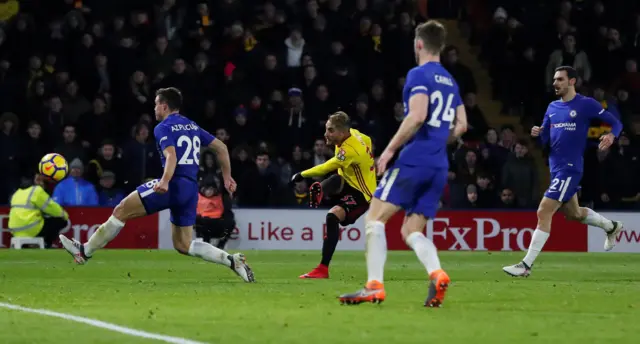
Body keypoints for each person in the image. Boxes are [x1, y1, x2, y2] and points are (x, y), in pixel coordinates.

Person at [59, 87, 255, 282]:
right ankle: (232, 260)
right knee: (183, 244)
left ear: (164, 105)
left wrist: (164, 181)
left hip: (173, 184)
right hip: (190, 189)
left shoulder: (163, 127)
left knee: (121, 210)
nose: (154, 109)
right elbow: (221, 147)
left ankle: (85, 251)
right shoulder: (192, 126)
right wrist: (228, 177)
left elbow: (171, 156)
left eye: (156, 104)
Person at [338, 20, 467, 307]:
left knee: (375, 218)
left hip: (415, 159)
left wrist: (388, 152)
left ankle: (374, 285)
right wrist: (438, 141)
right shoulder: (450, 80)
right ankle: (437, 273)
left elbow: (417, 115)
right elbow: (462, 125)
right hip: (439, 165)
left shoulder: (418, 74)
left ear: (419, 44)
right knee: (411, 230)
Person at [503, 66, 623, 277]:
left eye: (560, 79)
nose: (555, 83)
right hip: (556, 168)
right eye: (554, 80)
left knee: (543, 211)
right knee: (573, 213)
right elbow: (546, 141)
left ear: (572, 82)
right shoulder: (552, 107)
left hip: (570, 168)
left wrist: (612, 135)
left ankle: (526, 265)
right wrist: (538, 132)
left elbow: (616, 122)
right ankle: (612, 226)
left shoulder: (586, 104)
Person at [291, 111, 376, 279]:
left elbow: (326, 166)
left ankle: (323, 269)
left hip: (362, 195)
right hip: (349, 182)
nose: (326, 134)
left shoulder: (351, 150)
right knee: (338, 176)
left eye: (330, 130)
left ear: (342, 132)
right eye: (326, 129)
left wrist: (302, 174)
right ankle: (321, 191)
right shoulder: (354, 134)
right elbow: (368, 140)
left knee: (332, 217)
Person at [9, 174, 68, 248]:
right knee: (60, 221)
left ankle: (28, 245)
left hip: (15, 231)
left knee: (43, 221)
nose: (41, 183)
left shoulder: (17, 193)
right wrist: (64, 215)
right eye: (38, 180)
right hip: (31, 229)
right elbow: (52, 207)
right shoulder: (36, 190)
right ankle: (46, 244)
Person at [195, 174, 235, 249]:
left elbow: (228, 213)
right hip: (203, 224)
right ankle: (205, 243)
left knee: (231, 222)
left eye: (211, 189)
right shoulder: (197, 196)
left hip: (218, 224)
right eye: (207, 189)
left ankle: (221, 245)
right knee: (199, 221)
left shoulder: (222, 197)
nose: (209, 191)